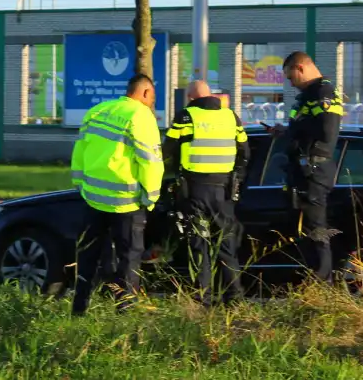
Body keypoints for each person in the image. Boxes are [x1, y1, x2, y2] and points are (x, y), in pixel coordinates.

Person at [69, 73, 164, 316]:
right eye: (152, 98)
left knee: (88, 255)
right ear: (144, 93)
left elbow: (80, 149)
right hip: (126, 203)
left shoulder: (98, 110)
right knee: (128, 260)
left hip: (93, 199)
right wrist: (151, 197)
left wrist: (81, 184)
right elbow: (150, 162)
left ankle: (79, 309)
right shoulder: (141, 116)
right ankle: (125, 313)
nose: (153, 103)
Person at [163, 80, 250, 306]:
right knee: (225, 245)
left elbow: (167, 149)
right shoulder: (231, 117)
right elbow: (245, 151)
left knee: (199, 245)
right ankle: (234, 299)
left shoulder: (186, 116)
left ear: (191, 98)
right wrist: (235, 177)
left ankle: (203, 300)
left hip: (195, 191)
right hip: (224, 192)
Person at [276, 51, 343, 282]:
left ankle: (322, 282)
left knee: (316, 229)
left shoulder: (322, 93)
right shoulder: (309, 95)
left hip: (315, 171)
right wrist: (285, 132)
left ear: (300, 68)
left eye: (290, 77)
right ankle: (313, 280)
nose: (290, 83)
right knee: (306, 230)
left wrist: (296, 131)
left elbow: (327, 131)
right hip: (305, 171)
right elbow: (306, 128)